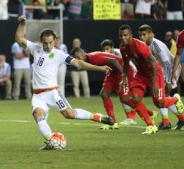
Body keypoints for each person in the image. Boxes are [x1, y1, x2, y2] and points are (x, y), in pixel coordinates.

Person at [15, 15, 114, 150]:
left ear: (55, 40)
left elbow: (78, 62)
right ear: (41, 41)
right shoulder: (35, 48)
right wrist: (22, 24)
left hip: (52, 92)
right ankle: (51, 140)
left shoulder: (59, 54)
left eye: (50, 42)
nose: (48, 45)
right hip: (38, 95)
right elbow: (19, 38)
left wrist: (99, 68)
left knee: (69, 114)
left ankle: (97, 117)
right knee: (37, 114)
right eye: (45, 43)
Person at [71, 47, 159, 130]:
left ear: (81, 52)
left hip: (124, 70)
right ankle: (112, 122)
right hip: (113, 72)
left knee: (124, 98)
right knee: (104, 94)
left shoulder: (93, 57)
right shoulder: (88, 59)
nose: (76, 59)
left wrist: (123, 75)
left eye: (76, 56)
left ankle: (150, 114)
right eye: (74, 57)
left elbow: (113, 61)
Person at [119, 24, 184, 135]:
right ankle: (151, 125)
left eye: (125, 35)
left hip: (155, 73)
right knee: (135, 98)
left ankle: (175, 99)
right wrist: (124, 78)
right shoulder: (123, 48)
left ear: (130, 35)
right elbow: (125, 63)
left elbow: (154, 63)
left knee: (159, 103)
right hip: (141, 75)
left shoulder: (140, 46)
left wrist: (154, 83)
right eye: (121, 36)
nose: (123, 38)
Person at [138, 24, 184, 130]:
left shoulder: (157, 46)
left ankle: (168, 120)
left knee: (160, 98)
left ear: (150, 34)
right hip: (161, 71)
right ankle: (178, 119)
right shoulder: (146, 44)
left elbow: (167, 64)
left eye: (144, 35)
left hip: (170, 70)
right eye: (140, 35)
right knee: (161, 98)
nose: (141, 37)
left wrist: (169, 81)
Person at [100, 39, 138, 126]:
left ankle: (135, 116)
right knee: (106, 94)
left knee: (125, 97)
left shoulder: (120, 53)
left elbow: (130, 64)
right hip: (114, 74)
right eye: (104, 49)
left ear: (112, 48)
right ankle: (115, 120)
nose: (106, 51)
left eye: (108, 48)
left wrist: (134, 74)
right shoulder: (103, 55)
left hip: (127, 74)